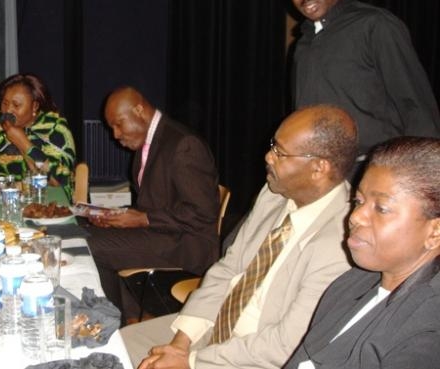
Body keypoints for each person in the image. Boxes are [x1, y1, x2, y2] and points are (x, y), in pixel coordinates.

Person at [122, 104, 357, 369]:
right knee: (118, 347)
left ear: (318, 168)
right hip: (214, 327)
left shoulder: (342, 243)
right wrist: (181, 342)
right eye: (273, 145)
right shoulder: (274, 194)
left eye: (280, 152)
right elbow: (228, 268)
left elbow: (285, 346)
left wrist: (191, 362)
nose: (268, 156)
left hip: (256, 356)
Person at [283, 136, 440, 369]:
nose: (356, 216)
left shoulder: (428, 332)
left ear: (435, 232)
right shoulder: (352, 283)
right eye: (358, 201)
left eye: (381, 208)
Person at [86, 86, 220, 322]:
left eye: (119, 124)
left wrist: (142, 219)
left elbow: (203, 213)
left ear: (139, 110)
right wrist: (118, 218)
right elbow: (155, 201)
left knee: (92, 246)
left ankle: (115, 324)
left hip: (185, 244)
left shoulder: (184, 144)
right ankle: (129, 316)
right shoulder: (151, 142)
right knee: (85, 232)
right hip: (161, 233)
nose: (115, 134)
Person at [284, 0, 440, 163]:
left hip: (371, 169)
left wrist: (424, 169)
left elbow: (415, 106)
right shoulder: (303, 45)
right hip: (320, 170)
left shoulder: (375, 25)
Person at [0, 73, 76, 200]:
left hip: (47, 203)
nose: (8, 110)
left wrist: (23, 143)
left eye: (16, 105)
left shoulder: (55, 128)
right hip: (0, 202)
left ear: (34, 106)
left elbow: (61, 183)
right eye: (5, 103)